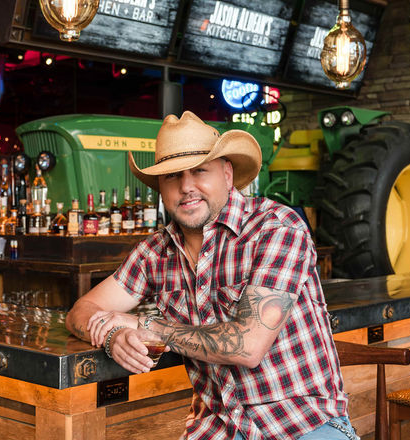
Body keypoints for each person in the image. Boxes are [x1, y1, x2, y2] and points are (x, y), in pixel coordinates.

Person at [65, 111, 354, 440]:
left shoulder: (275, 228)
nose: (187, 186)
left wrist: (147, 326)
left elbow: (248, 345)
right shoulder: (154, 253)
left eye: (199, 170)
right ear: (160, 186)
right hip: (218, 428)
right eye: (173, 176)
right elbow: (81, 310)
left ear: (227, 174)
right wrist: (113, 333)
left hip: (303, 424)